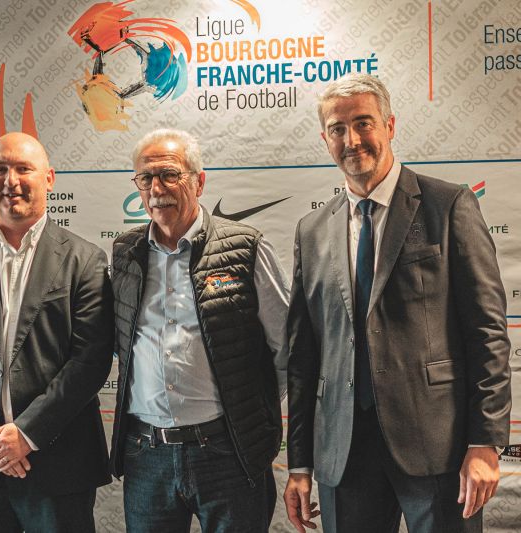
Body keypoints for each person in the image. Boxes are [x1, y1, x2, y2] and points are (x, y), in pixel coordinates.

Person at [283, 73, 512, 533]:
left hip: (439, 447)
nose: (352, 140)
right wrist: (300, 464)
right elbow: (304, 355)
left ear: (389, 125)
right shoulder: (312, 230)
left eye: (363, 123)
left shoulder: (448, 205)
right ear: (325, 139)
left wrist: (485, 442)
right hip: (344, 453)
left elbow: (487, 333)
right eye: (337, 128)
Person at [0, 132, 113, 533]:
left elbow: (90, 359)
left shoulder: (85, 260)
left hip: (59, 468)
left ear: (49, 178)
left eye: (24, 168)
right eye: (0, 169)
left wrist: (26, 434)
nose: (11, 180)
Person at [109, 128, 290, 532]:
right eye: (146, 178)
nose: (157, 189)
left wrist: (252, 408)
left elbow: (287, 346)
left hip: (227, 451)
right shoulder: (125, 253)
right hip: (146, 455)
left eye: (169, 175)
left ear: (199, 181)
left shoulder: (246, 247)